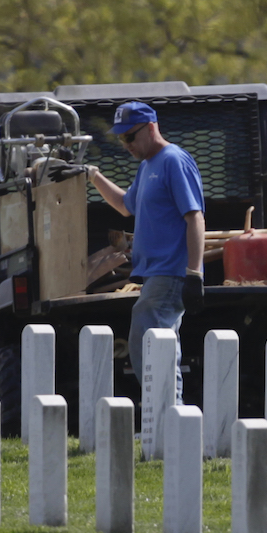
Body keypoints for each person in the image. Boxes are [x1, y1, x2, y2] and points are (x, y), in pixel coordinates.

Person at [87, 102, 205, 359]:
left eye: (130, 136)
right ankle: (167, 400)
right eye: (121, 138)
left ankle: (164, 401)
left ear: (151, 128)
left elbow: (195, 217)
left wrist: (194, 274)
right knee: (154, 349)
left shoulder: (173, 160)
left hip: (169, 273)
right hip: (154, 276)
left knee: (148, 347)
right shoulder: (147, 166)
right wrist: (93, 175)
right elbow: (124, 206)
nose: (126, 143)